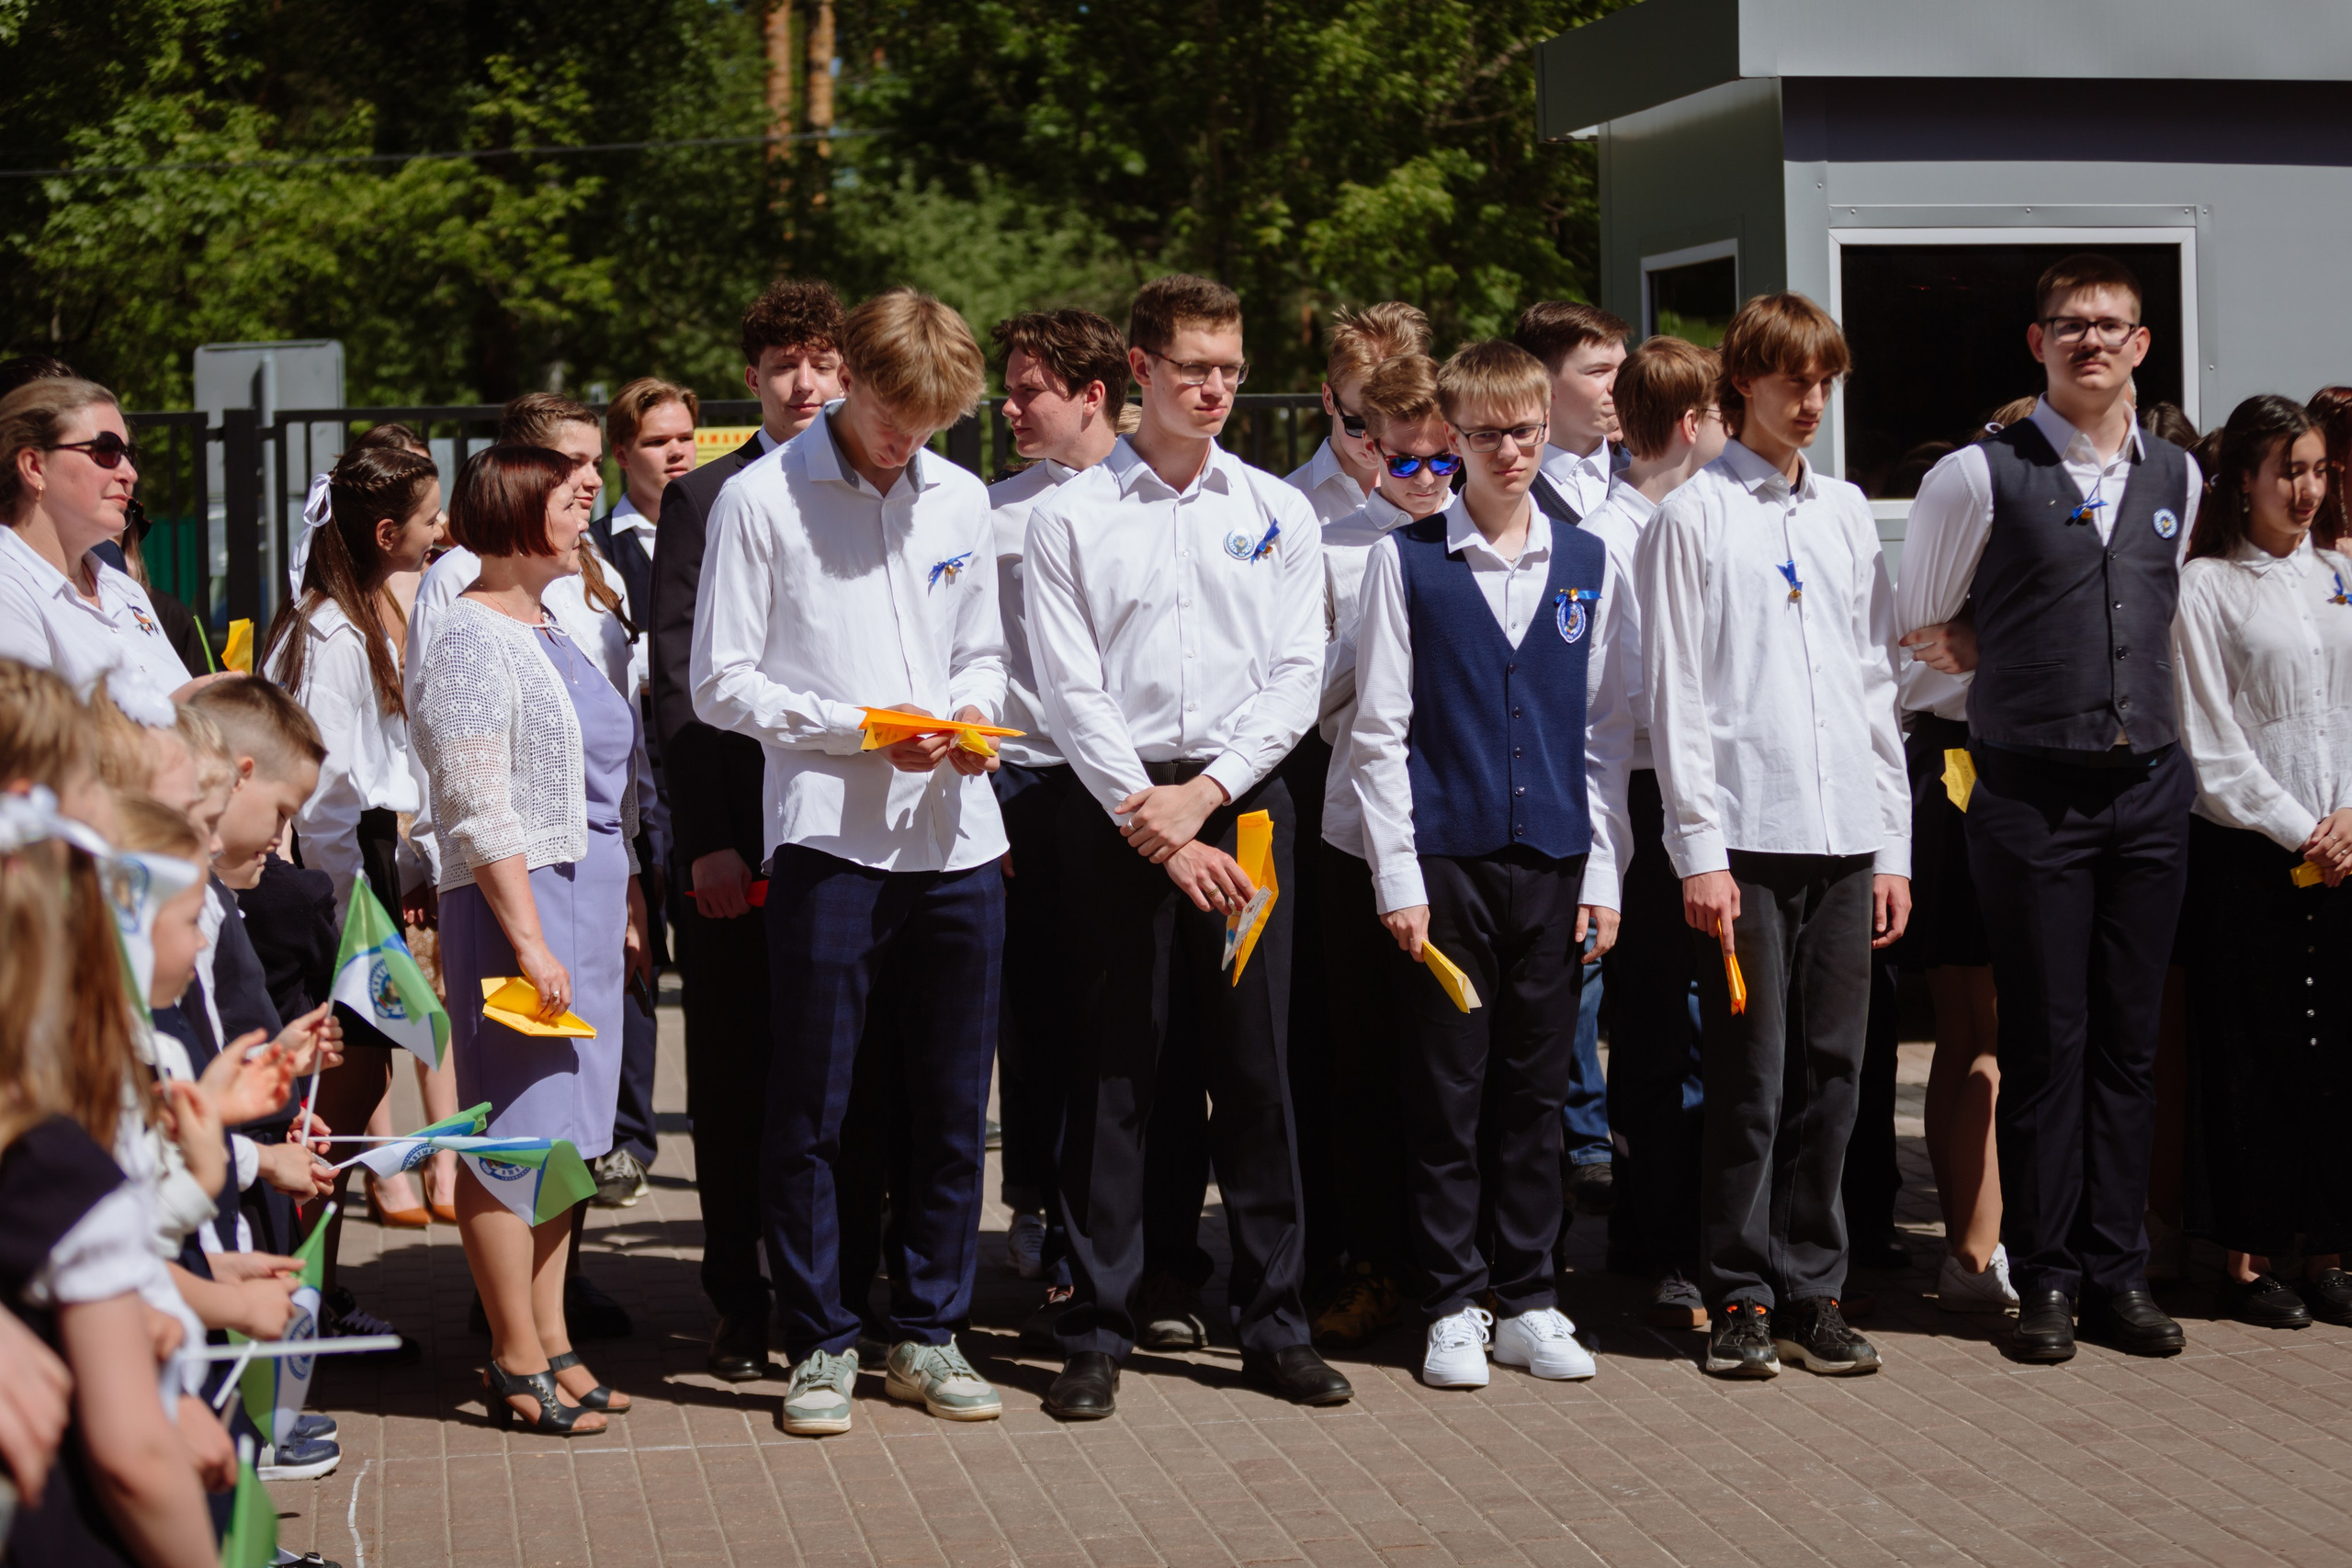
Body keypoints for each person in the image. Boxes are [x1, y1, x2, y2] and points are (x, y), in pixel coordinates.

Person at [1025, 272, 1349, 1419]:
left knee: (1257, 1072)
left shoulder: (1276, 509)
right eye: (1193, 368)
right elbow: (1068, 688)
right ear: (1141, 373)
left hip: (1243, 807)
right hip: (1116, 812)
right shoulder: (1068, 514)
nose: (1215, 388)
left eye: (1229, 367)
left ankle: (1274, 1320)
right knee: (1115, 1072)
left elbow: (1297, 678)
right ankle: (1097, 1329)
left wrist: (1205, 795)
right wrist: (1151, 821)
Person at [693, 288, 1009, 1438]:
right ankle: (820, 1337)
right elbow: (719, 681)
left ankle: (929, 1332)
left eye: (930, 421)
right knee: (813, 1104)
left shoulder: (961, 496)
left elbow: (982, 649)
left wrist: (970, 714)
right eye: (892, 412)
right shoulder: (759, 500)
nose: (904, 438)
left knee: (945, 1104)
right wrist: (863, 727)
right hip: (828, 836)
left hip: (959, 840)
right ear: (846, 379)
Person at [1898, 254, 2205, 1364]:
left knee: (2128, 1046)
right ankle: (2047, 1282)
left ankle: (2117, 1273)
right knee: (2044, 1043)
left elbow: (2161, 624)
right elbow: (1924, 636)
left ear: (2140, 344)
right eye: (2068, 326)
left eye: (2110, 326)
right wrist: (1991, 645)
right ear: (2036, 344)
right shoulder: (1976, 476)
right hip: (2028, 790)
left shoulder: (2178, 473)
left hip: (2148, 786)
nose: (2090, 342)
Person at [1348, 339, 1633, 1389]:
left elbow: (1603, 733)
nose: (1507, 452)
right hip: (1449, 862)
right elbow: (1377, 733)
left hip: (1553, 860)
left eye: (1523, 432)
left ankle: (1532, 1295)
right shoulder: (1407, 560)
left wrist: (1603, 873)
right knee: (1446, 1090)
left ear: (1544, 432)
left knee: (1535, 1092)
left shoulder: (1589, 561)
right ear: (1452, 440)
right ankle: (1453, 1302)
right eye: (1484, 436)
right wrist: (1399, 876)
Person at [1639, 292, 1910, 1381]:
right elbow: (1676, 693)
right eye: (1791, 380)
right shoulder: (1693, 516)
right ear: (1739, 384)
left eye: (1824, 383)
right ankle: (1738, 1287)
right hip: (1746, 840)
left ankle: (1816, 1285)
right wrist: (1698, 850)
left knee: (1835, 1075)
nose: (1810, 402)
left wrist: (1892, 846)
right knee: (1751, 1073)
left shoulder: (1843, 511)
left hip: (1844, 831)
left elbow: (1873, 678)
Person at [411, 443, 649, 1435]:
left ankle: (553, 1340)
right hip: (524, 900)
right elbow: (473, 798)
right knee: (515, 1137)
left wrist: (624, 898)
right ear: (514, 511)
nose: (585, 509)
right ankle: (512, 1357)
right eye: (567, 499)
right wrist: (527, 937)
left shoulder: (554, 621)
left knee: (568, 1143)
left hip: (583, 895)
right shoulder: (469, 632)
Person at [649, 278, 846, 1382]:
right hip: (741, 842)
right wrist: (709, 840)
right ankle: (739, 1287)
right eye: (784, 366)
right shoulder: (705, 497)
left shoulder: (882, 482)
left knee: (846, 1073)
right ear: (751, 381)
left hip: (854, 833)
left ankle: (843, 1284)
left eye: (822, 362)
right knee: (733, 1075)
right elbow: (679, 683)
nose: (805, 383)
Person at [2173, 395, 2352, 1328]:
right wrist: (2298, 827)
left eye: (2319, 469)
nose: (2306, 489)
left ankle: (2326, 1243)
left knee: (2335, 1056)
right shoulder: (2206, 586)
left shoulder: (2338, 577)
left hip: (2344, 852)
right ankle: (2245, 1256)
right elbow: (2210, 741)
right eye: (2288, 470)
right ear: (2242, 478)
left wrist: (2349, 818)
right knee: (2253, 1049)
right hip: (2250, 852)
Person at [1308, 349, 1457, 1352]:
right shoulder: (1331, 547)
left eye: (1442, 463)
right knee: (1357, 1071)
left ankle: (1462, 1274)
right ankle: (1365, 1266)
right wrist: (1381, 638)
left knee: (1457, 1069)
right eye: (1402, 463)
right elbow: (1308, 708)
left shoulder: (1504, 543)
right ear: (1367, 451)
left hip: (1469, 837)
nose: (1423, 484)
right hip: (1358, 838)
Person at [1578, 335, 1725, 1329]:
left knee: (1686, 1023)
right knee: (1656, 1027)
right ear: (1689, 424)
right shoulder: (1607, 532)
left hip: (1700, 793)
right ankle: (1664, 1237)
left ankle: (1662, 1223)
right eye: (1721, 415)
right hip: (1641, 793)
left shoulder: (1713, 519)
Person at [984, 309, 1126, 1325]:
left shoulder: (1148, 502)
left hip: (1137, 785)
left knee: (1121, 1022)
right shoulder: (988, 512)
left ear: (1093, 394)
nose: (1008, 405)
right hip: (1028, 785)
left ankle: (1116, 1231)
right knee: (1034, 1021)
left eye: (1029, 387)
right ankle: (1038, 1205)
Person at [1889, 415, 2020, 1315]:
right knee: (1974, 1024)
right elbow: (1915, 649)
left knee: (1996, 1032)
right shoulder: (1966, 496)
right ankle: (1973, 1253)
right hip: (1963, 766)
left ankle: (1998, 1239)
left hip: (2033, 766)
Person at [0, 379, 204, 728]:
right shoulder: (9, 589)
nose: (130, 473)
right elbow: (31, 754)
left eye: (130, 455)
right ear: (35, 466)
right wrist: (175, 711)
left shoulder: (123, 589)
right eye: (106, 451)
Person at [1286, 302, 1434, 524]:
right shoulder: (1289, 503)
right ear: (1328, 399)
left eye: (1398, 421)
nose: (1374, 441)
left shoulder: (1438, 495)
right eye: (1359, 424)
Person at [1512, 300, 1630, 528]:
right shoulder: (1501, 493)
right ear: (1541, 382)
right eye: (1599, 372)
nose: (1619, 385)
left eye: (1624, 370)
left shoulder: (1647, 482)